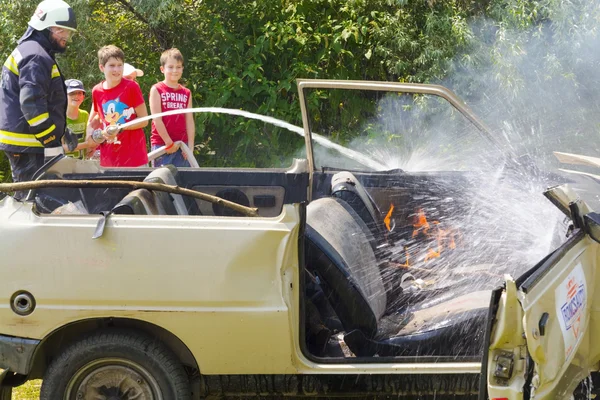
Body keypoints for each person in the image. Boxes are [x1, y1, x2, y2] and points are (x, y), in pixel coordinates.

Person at [0, 0, 77, 196]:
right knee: (31, 204)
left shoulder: (31, 51)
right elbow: (31, 104)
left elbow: (43, 100)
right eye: (63, 30)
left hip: (28, 142)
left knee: (34, 201)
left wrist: (61, 130)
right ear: (49, 27)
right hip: (30, 145)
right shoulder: (36, 56)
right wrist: (51, 139)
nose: (66, 37)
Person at [86, 45, 149, 167]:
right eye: (112, 65)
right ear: (101, 67)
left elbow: (144, 120)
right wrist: (90, 136)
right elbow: (96, 119)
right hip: (109, 159)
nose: (117, 69)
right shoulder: (97, 91)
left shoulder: (132, 87)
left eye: (120, 65)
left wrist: (120, 127)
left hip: (134, 158)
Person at [149, 48, 195, 167]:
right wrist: (168, 142)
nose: (175, 70)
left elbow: (189, 120)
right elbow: (157, 119)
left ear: (182, 69)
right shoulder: (157, 89)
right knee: (161, 181)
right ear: (162, 69)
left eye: (178, 67)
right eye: (170, 67)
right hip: (162, 145)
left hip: (182, 146)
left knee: (183, 181)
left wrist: (190, 146)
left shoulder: (186, 92)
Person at [64, 79, 89, 158]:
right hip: (63, 167)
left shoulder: (85, 115)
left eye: (79, 93)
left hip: (82, 166)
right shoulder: (59, 117)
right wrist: (87, 144)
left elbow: (87, 138)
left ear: (83, 96)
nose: (76, 96)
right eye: (72, 93)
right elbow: (60, 148)